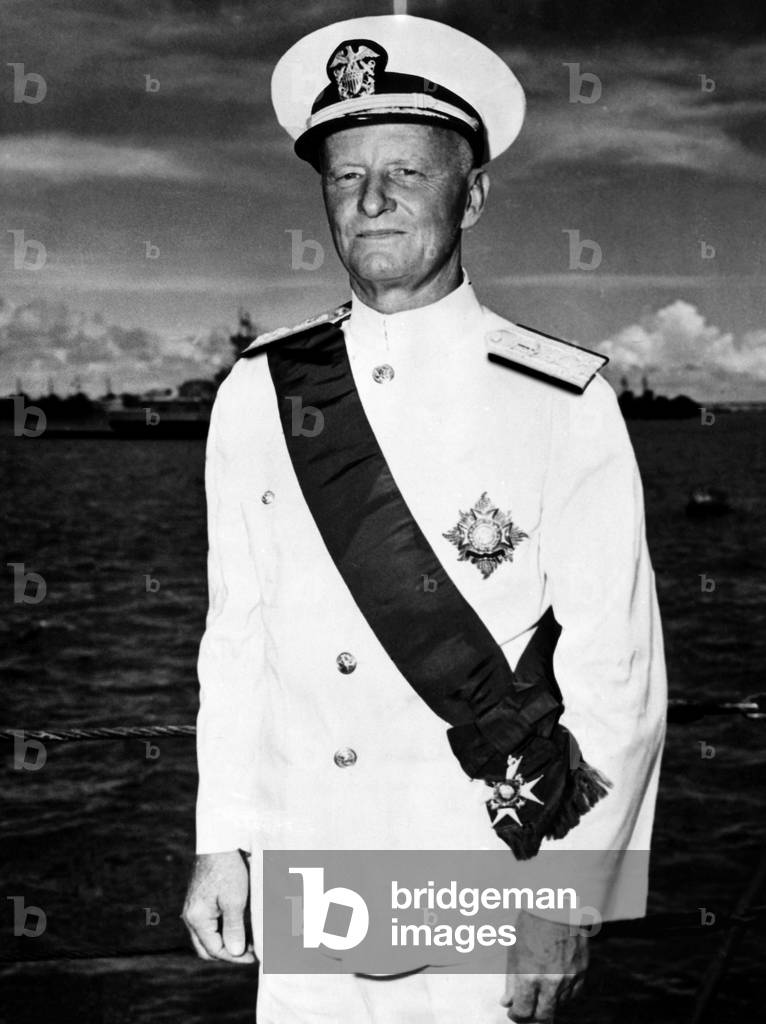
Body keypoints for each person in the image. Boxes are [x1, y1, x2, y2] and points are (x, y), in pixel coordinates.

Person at [182, 14, 668, 1023]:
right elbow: (237, 634)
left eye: (405, 170)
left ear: (473, 193)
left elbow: (615, 670)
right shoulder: (258, 390)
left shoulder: (558, 400)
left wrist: (567, 897)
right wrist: (220, 836)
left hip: (481, 859)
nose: (370, 201)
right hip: (310, 851)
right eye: (344, 173)